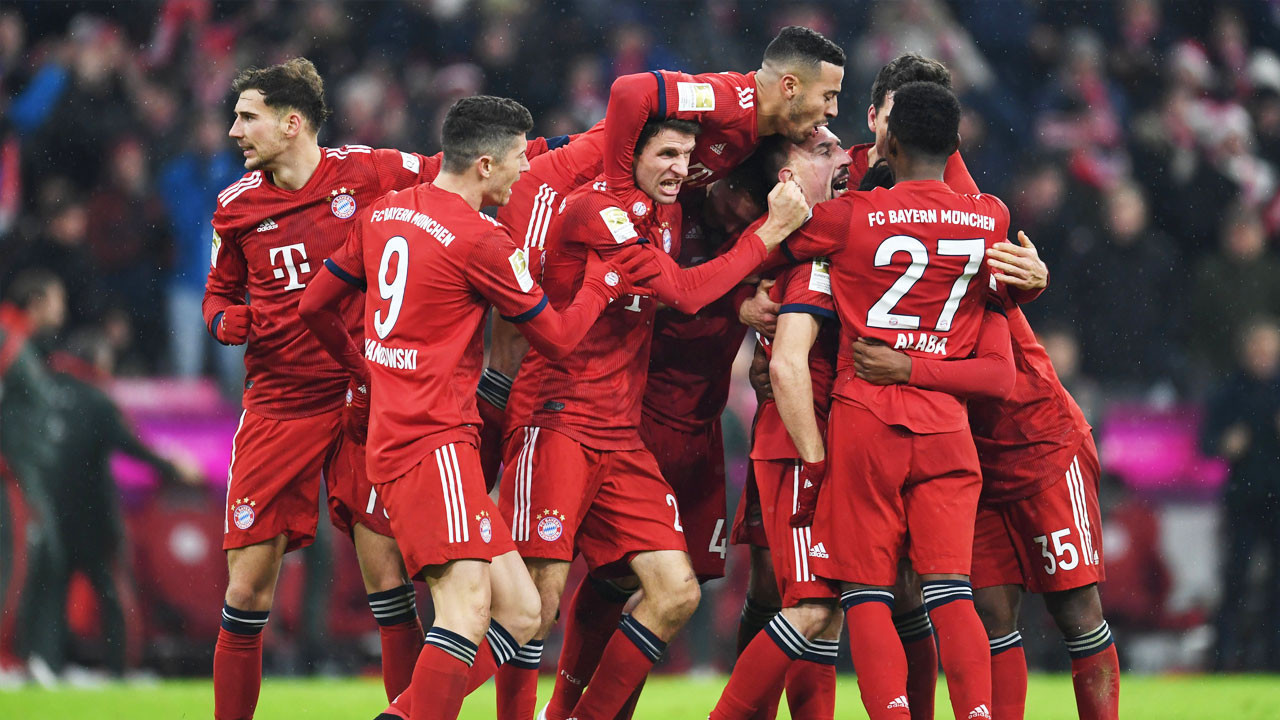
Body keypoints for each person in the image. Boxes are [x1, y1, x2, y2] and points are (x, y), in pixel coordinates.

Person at [203, 58, 563, 719]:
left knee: (390, 585)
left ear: (291, 123)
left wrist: (564, 148)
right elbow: (219, 294)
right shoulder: (235, 206)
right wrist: (226, 321)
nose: (235, 131)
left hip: (363, 405)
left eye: (247, 117)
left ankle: (404, 707)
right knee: (248, 590)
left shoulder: (368, 173)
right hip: (279, 404)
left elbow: (456, 164)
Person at [302, 94, 658, 720]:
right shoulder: (482, 240)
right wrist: (602, 286)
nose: (526, 171)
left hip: (402, 437)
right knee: (465, 612)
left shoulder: (385, 212)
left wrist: (364, 373)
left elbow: (314, 306)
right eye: (520, 158)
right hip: (432, 441)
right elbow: (558, 339)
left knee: (521, 612)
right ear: (486, 164)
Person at [498, 115, 809, 720]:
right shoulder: (600, 210)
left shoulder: (662, 213)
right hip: (561, 415)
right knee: (535, 605)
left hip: (627, 434)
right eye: (666, 153)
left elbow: (684, 289)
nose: (680, 169)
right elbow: (684, 292)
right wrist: (768, 234)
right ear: (629, 154)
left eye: (687, 156)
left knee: (675, 592)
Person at [478, 24, 845, 497]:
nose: (832, 110)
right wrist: (618, 188)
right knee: (517, 350)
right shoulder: (730, 100)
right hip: (555, 194)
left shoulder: (759, 139)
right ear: (790, 86)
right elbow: (630, 92)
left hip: (616, 215)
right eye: (828, 96)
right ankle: (480, 491)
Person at [753, 81, 1012, 720]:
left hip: (867, 420)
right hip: (945, 426)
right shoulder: (992, 218)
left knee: (867, 595)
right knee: (951, 592)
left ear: (888, 142)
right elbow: (1001, 293)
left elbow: (776, 246)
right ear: (956, 144)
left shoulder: (849, 219)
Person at [1203, 318, 1280, 671]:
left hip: (1276, 500)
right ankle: (1225, 659)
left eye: (1269, 348)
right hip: (1242, 502)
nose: (1263, 355)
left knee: (1275, 587)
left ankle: (1272, 659)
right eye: (1257, 347)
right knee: (1235, 581)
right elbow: (1205, 443)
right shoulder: (1228, 392)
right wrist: (1225, 443)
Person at [0, 269, 64, 684]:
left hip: (25, 471)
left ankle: (26, 655)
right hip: (11, 471)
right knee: (17, 562)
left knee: (38, 559)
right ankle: (4, 657)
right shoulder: (7, 338)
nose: (62, 311)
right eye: (58, 301)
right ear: (37, 302)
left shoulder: (19, 340)